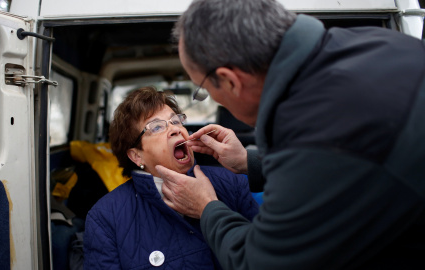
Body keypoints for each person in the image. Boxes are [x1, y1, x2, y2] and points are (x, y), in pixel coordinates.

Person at [155, 0, 425, 269]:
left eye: (203, 90)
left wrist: (206, 207)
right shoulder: (379, 42)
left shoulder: (320, 134)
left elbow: (261, 263)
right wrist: (251, 162)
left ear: (230, 81)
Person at [83, 86, 259, 269]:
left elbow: (268, 254)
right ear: (137, 156)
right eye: (157, 127)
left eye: (176, 121)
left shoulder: (233, 182)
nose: (175, 129)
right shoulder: (104, 217)